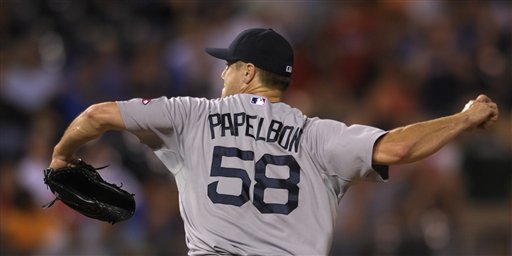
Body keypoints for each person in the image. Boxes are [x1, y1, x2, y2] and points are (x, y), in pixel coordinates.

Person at [48, 28, 499, 255]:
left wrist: (62, 156)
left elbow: (94, 116)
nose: (222, 73)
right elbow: (398, 148)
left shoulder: (191, 114)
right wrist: (462, 119)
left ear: (247, 73)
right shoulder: (317, 135)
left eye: (229, 66)